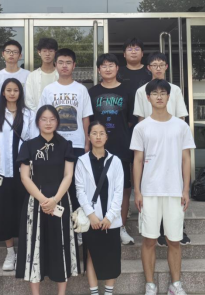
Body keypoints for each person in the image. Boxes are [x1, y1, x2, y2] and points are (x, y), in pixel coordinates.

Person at [130, 80, 196, 295]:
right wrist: (137, 191)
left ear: (169, 96)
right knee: (149, 240)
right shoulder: (141, 127)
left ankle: (175, 285)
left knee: (174, 240)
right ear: (148, 97)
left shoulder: (181, 126)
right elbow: (137, 160)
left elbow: (186, 159)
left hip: (174, 191)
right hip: (149, 191)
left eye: (163, 93)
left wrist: (185, 190)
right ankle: (150, 285)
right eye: (155, 93)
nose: (159, 97)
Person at [15, 105, 80, 295]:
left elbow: (68, 175)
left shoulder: (65, 145)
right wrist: (44, 200)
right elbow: (25, 177)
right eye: (44, 119)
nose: (48, 123)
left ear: (57, 122)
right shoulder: (28, 146)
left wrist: (55, 199)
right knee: (34, 244)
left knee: (61, 243)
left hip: (61, 200)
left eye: (52, 119)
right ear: (38, 122)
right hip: (35, 201)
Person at [132, 52, 191, 247]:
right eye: (154, 65)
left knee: (174, 191)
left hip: (172, 141)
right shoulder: (141, 91)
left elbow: (181, 116)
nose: (158, 68)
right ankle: (156, 232)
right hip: (151, 141)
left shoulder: (175, 90)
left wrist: (177, 136)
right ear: (148, 67)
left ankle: (176, 231)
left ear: (166, 66)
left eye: (161, 64)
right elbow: (140, 118)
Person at [0, 78, 37, 271]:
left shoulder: (29, 115)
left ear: (20, 93)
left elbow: (34, 141)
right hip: (3, 172)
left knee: (25, 212)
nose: (12, 93)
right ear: (3, 93)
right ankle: (10, 253)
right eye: (9, 90)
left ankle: (25, 252)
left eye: (16, 90)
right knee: (5, 213)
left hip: (25, 172)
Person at [88, 53, 136, 246]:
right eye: (104, 66)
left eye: (111, 65)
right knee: (96, 186)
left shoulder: (128, 91)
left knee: (123, 189)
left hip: (122, 146)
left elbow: (132, 121)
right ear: (98, 69)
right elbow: (88, 120)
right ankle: (95, 224)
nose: (107, 69)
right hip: (98, 147)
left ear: (117, 68)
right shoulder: (92, 92)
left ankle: (121, 226)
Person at [38, 48, 93, 211]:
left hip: (76, 143)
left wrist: (87, 142)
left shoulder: (81, 89)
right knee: (54, 182)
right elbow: (42, 117)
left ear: (74, 65)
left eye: (68, 62)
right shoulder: (49, 89)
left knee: (77, 184)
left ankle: (76, 218)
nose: (64, 66)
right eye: (61, 62)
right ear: (55, 65)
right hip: (53, 143)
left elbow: (85, 118)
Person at [75, 121, 124, 295]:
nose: (98, 136)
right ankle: (94, 292)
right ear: (88, 136)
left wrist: (110, 216)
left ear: (106, 137)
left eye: (101, 133)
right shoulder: (81, 161)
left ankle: (108, 292)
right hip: (92, 219)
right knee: (91, 254)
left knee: (112, 255)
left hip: (111, 219)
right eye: (94, 133)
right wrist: (91, 215)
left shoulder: (115, 161)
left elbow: (119, 192)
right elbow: (80, 191)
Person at [0, 40, 30, 106]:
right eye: (8, 51)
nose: (11, 54)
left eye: (15, 52)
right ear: (3, 54)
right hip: (2, 111)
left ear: (20, 56)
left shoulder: (28, 75)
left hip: (23, 111)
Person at [25, 38, 59, 110]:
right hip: (37, 115)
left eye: (51, 51)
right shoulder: (32, 76)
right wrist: (39, 114)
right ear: (39, 52)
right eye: (44, 51)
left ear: (55, 53)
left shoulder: (60, 75)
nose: (47, 54)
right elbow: (28, 101)